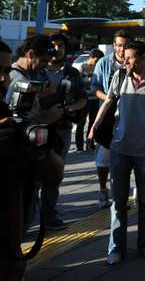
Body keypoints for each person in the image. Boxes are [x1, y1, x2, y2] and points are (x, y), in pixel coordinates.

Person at [89, 41, 145, 265]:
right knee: (118, 201)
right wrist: (94, 127)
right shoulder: (119, 77)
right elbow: (108, 102)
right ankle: (116, 247)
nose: (125, 61)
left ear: (144, 57)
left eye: (130, 57)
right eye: (124, 57)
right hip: (120, 149)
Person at [0, 39, 65, 281]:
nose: (4, 80)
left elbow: (55, 173)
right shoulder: (19, 81)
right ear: (29, 54)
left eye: (6, 71)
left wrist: (39, 147)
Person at [38, 33, 87, 229]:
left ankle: (49, 216)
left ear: (66, 50)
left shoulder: (72, 73)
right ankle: (26, 218)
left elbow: (82, 98)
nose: (56, 49)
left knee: (55, 173)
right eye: (53, 46)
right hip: (36, 128)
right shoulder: (37, 70)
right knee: (31, 175)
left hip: (62, 129)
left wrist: (71, 109)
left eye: (60, 46)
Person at [90, 30, 130, 208]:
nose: (121, 49)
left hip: (128, 117)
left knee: (124, 158)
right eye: (119, 45)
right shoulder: (103, 63)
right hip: (106, 116)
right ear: (114, 45)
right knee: (103, 157)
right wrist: (108, 98)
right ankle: (102, 189)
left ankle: (120, 194)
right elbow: (95, 87)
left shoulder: (133, 62)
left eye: (124, 45)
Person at [75, 48, 104, 151]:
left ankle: (89, 145)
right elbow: (76, 85)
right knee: (81, 123)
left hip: (95, 99)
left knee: (93, 123)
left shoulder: (98, 68)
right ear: (91, 58)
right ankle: (79, 146)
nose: (97, 63)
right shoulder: (81, 67)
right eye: (96, 60)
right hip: (84, 100)